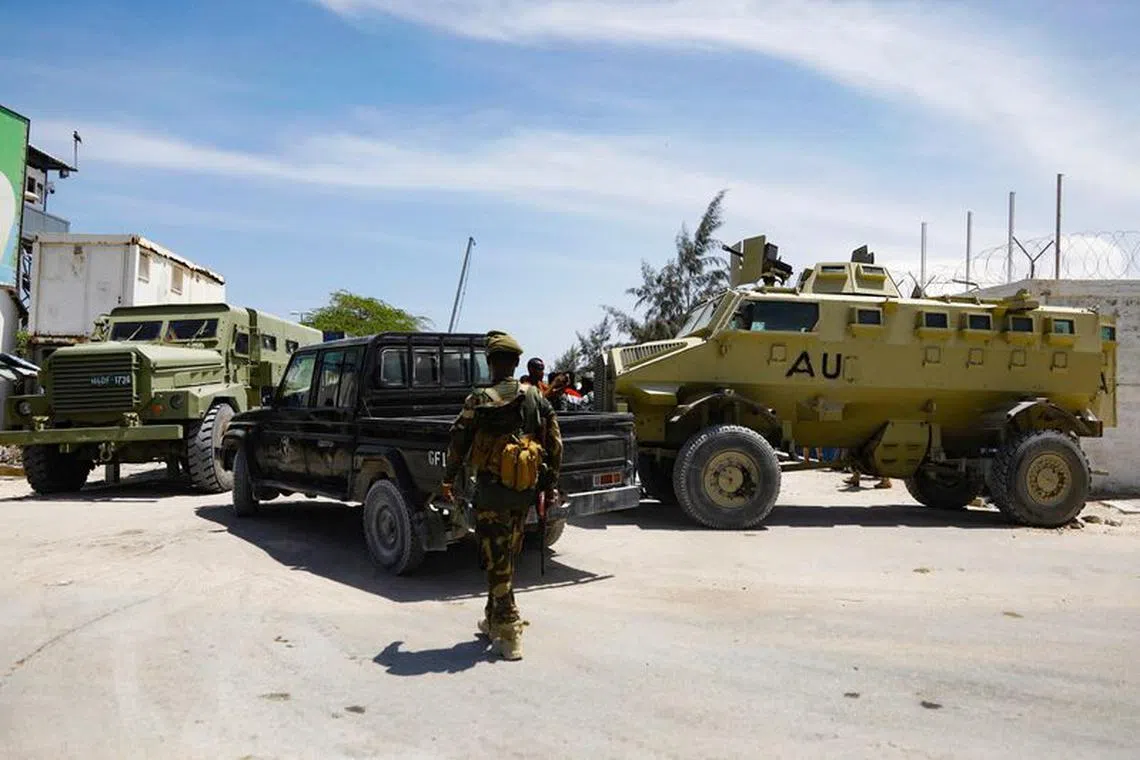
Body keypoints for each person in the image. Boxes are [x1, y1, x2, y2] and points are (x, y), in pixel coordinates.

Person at [441, 331, 562, 661]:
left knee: (497, 559)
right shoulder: (536, 397)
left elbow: (458, 443)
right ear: (516, 362)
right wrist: (549, 484)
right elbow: (555, 444)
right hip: (524, 491)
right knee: (504, 556)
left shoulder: (479, 399)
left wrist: (448, 480)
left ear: (491, 362)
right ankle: (492, 620)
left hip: (492, 493)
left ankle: (509, 632)